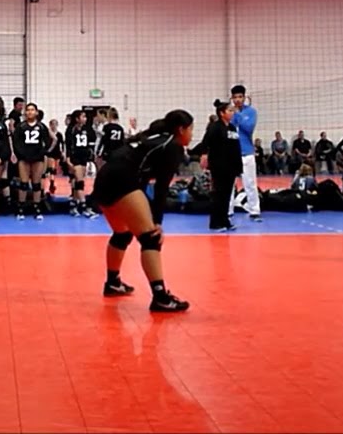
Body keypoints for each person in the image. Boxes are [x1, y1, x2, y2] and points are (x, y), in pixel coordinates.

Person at [91, 110, 194, 312]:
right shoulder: (172, 146)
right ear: (181, 129)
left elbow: (141, 174)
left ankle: (113, 282)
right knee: (151, 238)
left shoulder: (151, 138)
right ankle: (160, 297)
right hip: (121, 181)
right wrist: (157, 222)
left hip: (104, 179)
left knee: (122, 233)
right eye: (191, 129)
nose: (191, 134)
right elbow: (162, 187)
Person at [189, 99, 242, 231]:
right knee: (218, 194)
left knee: (227, 194)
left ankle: (225, 220)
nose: (232, 113)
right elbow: (205, 142)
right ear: (222, 113)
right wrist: (204, 155)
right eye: (229, 110)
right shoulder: (215, 127)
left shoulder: (232, 128)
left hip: (231, 166)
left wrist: (238, 166)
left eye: (232, 110)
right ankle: (215, 222)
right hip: (219, 165)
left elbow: (236, 147)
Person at [229, 86, 261, 222]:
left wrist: (237, 114)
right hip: (231, 153)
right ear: (231, 98)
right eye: (235, 97)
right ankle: (228, 210)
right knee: (229, 184)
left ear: (244, 97)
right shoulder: (228, 112)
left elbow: (248, 128)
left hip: (247, 152)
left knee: (250, 183)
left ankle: (254, 210)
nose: (237, 100)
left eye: (240, 97)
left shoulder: (251, 112)